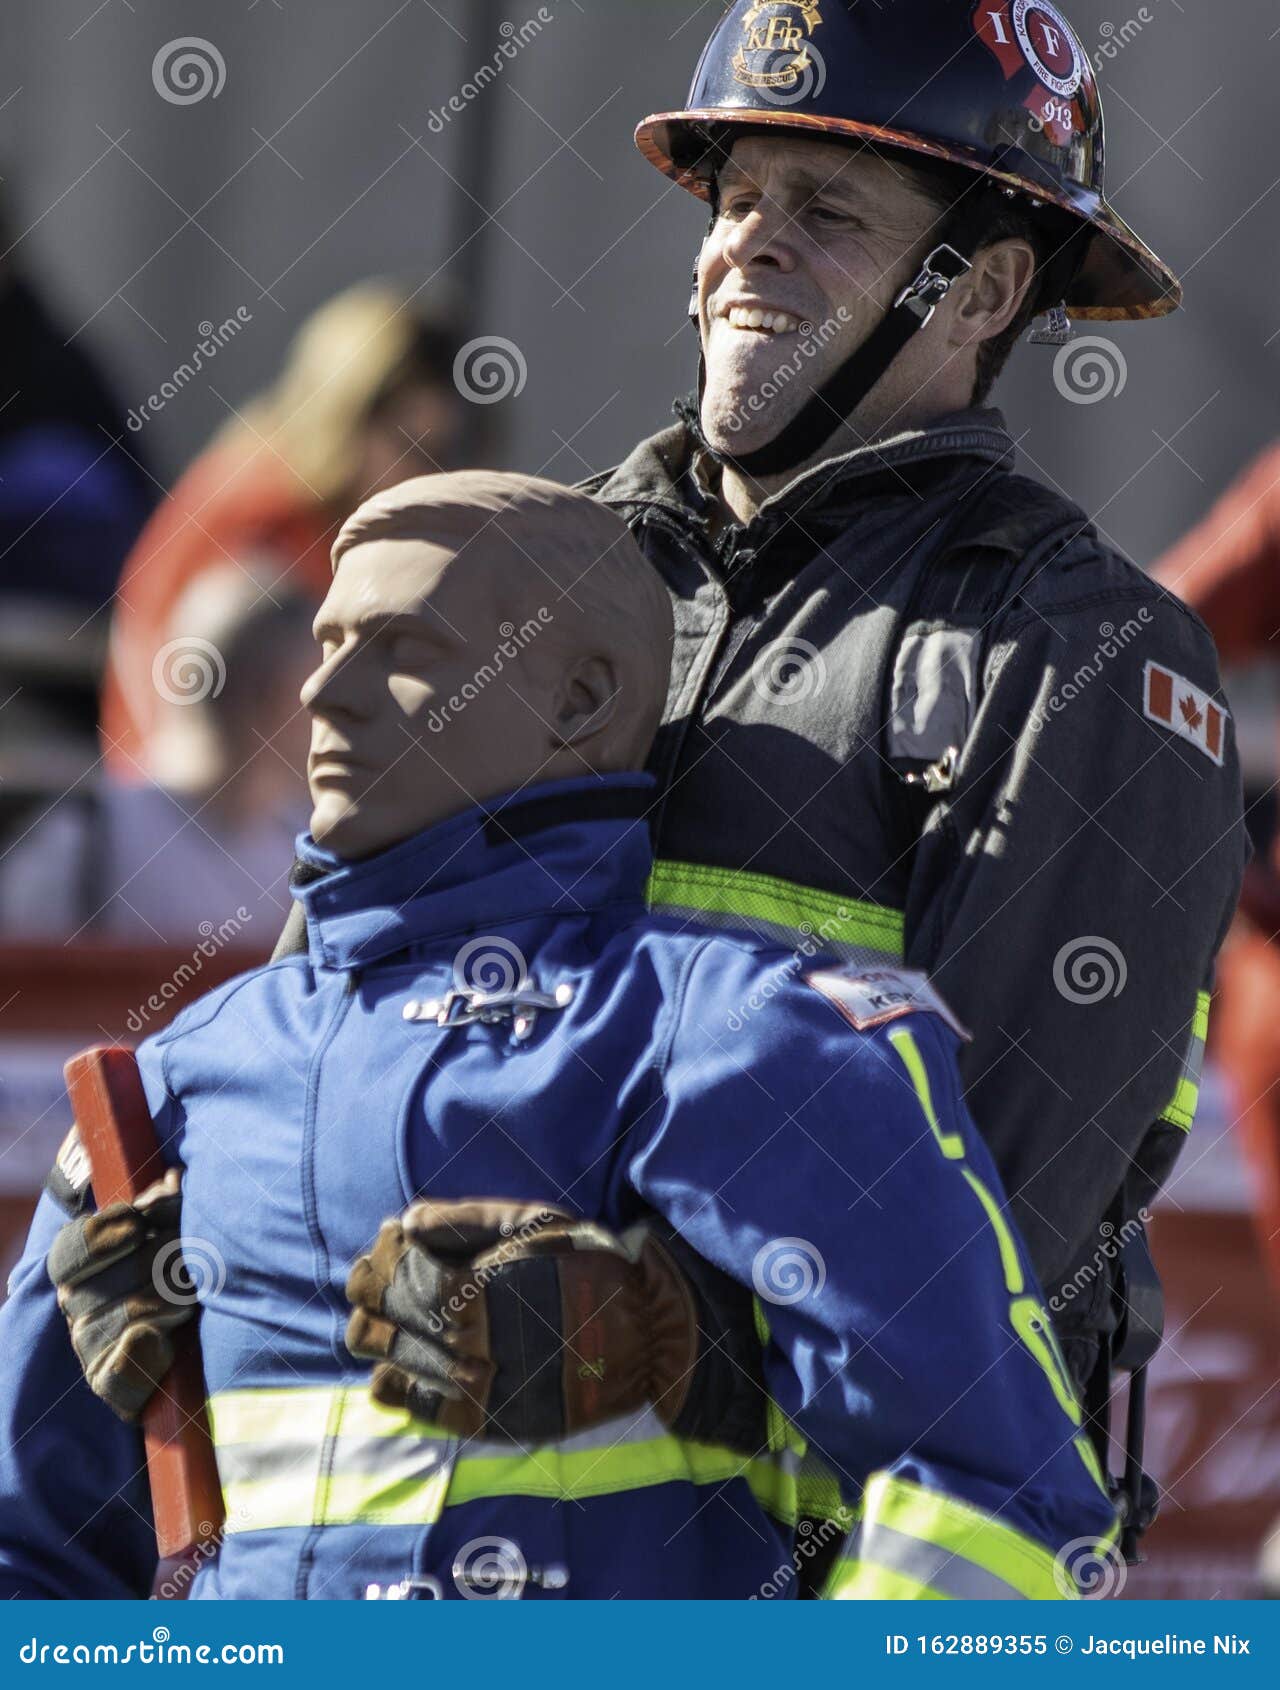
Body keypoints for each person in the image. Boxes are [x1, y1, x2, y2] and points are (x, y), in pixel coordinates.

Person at [0, 473, 1115, 1600]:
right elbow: (25, 1556)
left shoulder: (754, 1032)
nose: (325, 694)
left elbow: (995, 1516)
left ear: (581, 698)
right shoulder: (178, 1083)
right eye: (325, 642)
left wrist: (681, 1342)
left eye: (400, 647)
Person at [99, 281, 487, 783]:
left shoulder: (301, 500)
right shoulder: (265, 519)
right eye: (410, 445)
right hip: (197, 807)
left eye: (442, 455)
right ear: (347, 418)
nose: (424, 476)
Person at [0, 566, 315, 943]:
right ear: (268, 696)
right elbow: (28, 990)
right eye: (314, 690)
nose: (333, 712)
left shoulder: (308, 853)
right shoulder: (85, 839)